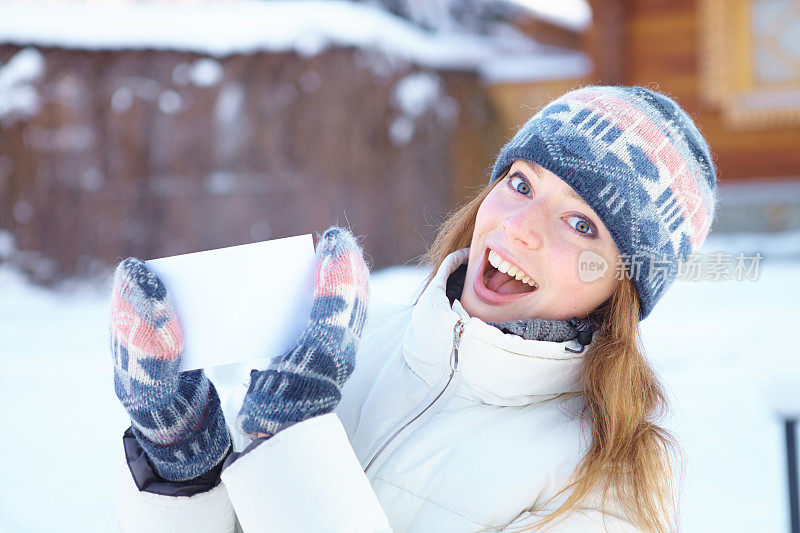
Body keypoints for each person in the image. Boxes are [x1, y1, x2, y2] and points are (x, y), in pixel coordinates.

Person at [111, 85, 717, 532]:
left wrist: (291, 440)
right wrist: (181, 465)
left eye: (581, 223)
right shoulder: (346, 349)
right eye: (522, 184)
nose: (520, 229)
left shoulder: (604, 486)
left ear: (621, 287)